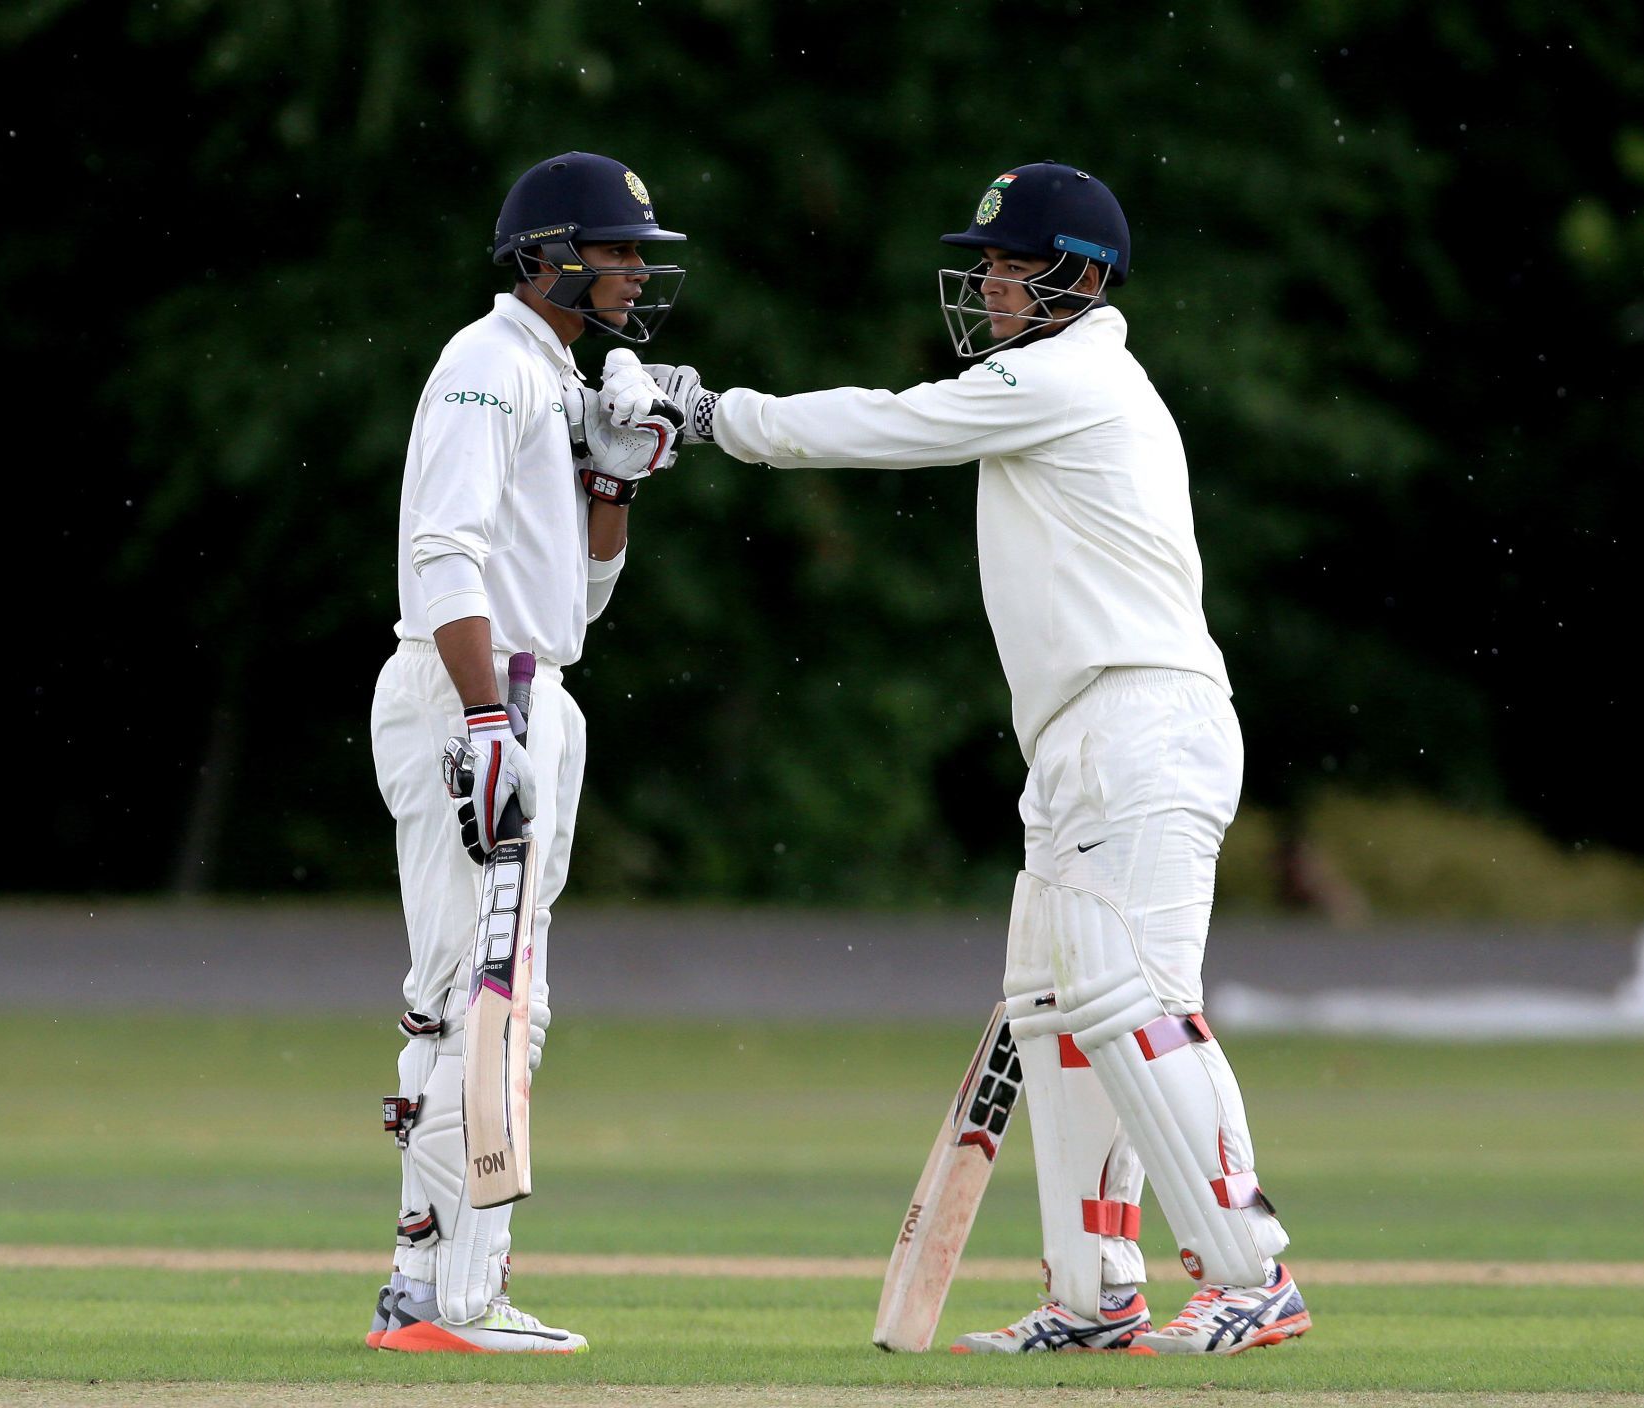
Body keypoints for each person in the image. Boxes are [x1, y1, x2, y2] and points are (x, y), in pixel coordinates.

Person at [609, 162, 1310, 1356]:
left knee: (1132, 1000)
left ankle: (1251, 1270)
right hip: (1084, 738)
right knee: (1055, 1013)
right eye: (982, 262)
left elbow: (890, 422)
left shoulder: (1071, 375)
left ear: (1077, 277)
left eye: (1005, 262)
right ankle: (1096, 1297)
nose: (984, 282)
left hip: (1141, 721)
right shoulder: (1057, 380)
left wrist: (710, 407)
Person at [366, 151, 685, 1354]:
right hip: (475, 693)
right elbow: (441, 554)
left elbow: (577, 603)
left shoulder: (551, 381)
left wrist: (613, 484)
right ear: (550, 255)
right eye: (617, 251)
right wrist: (487, 722)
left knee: (475, 996)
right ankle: (457, 1300)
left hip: (525, 686)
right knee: (487, 999)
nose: (637, 273)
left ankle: (422, 1285)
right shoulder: (487, 367)